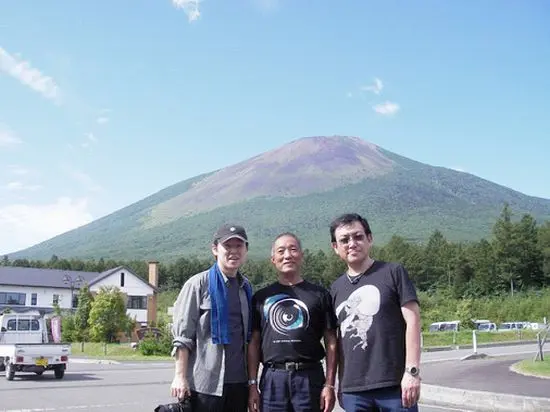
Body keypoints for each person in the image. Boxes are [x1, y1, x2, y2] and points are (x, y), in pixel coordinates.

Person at [329, 213, 421, 412]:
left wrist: (412, 372)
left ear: (369, 239)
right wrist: (339, 384)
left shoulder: (393, 272)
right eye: (344, 240)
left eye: (358, 237)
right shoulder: (335, 288)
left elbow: (413, 321)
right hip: (354, 391)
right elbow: (338, 339)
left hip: (395, 386)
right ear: (335, 247)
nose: (352, 244)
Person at [247, 232, 338, 412]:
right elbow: (254, 343)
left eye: (293, 249)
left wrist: (329, 385)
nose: (287, 255)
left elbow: (331, 341)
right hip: (273, 379)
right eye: (281, 251)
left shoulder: (320, 295)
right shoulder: (261, 298)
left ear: (301, 256)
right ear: (273, 259)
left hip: (309, 378)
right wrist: (252, 384)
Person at [170, 223, 253, 412]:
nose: (234, 251)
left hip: (239, 383)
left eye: (239, 246)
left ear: (246, 250)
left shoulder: (246, 287)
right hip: (205, 384)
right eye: (227, 246)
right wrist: (180, 376)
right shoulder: (198, 284)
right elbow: (183, 336)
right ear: (215, 249)